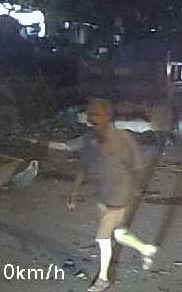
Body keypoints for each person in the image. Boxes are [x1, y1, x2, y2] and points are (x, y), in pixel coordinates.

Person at [42, 99, 157, 292]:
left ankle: (103, 280)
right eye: (90, 114)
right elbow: (82, 167)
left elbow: (137, 167)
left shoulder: (123, 139)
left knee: (103, 238)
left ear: (108, 116)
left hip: (120, 195)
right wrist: (74, 192)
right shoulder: (89, 140)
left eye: (97, 114)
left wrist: (135, 193)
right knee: (118, 233)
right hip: (102, 195)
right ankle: (145, 249)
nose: (92, 118)